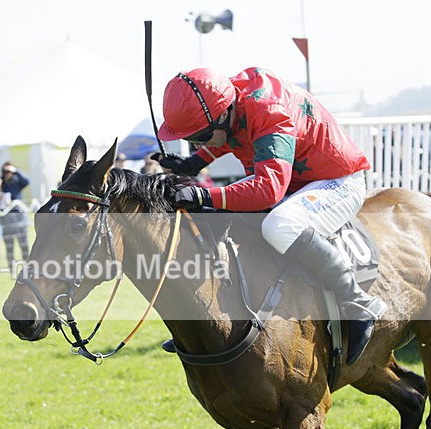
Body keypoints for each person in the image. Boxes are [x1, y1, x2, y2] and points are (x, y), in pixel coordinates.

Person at [154, 66, 386, 364]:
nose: (199, 143)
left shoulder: (269, 111)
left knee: (280, 225)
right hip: (294, 182)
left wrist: (203, 194)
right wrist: (193, 163)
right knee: (217, 216)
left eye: (199, 136)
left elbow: (269, 190)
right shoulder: (231, 101)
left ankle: (358, 303)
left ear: (223, 114)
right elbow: (231, 136)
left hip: (338, 180)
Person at [0, 162, 30, 270]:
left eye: (9, 171)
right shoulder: (0, 183)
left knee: (23, 243)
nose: (7, 173)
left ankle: (28, 265)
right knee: (9, 245)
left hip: (19, 216)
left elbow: (26, 181)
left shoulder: (17, 181)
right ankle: (11, 267)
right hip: (6, 217)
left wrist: (16, 170)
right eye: (5, 171)